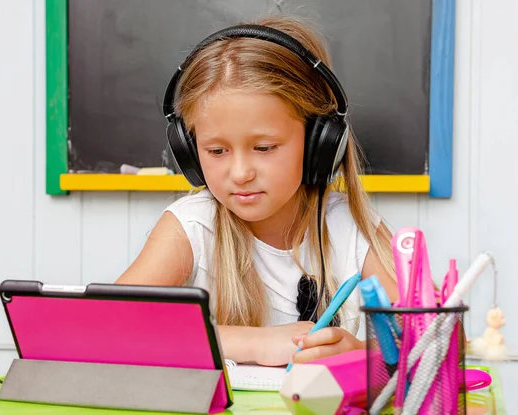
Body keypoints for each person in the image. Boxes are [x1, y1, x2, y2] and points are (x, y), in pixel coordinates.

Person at [117, 15, 398, 367]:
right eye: (216, 151)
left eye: (264, 148)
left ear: (318, 144)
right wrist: (251, 343)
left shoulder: (351, 228)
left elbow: (443, 338)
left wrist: (363, 354)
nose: (240, 173)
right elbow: (107, 326)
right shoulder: (192, 226)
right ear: (189, 152)